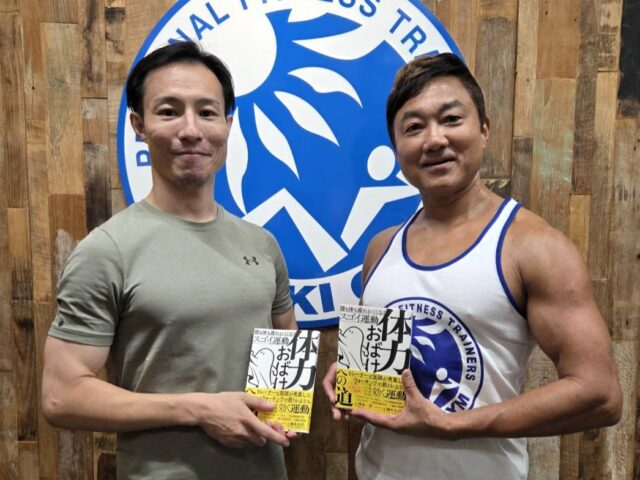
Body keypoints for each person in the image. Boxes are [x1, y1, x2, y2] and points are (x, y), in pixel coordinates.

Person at [322, 53, 622, 479]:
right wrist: (355, 377)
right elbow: (387, 380)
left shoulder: (533, 246)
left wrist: (451, 425)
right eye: (413, 127)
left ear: (483, 129)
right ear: (396, 148)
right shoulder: (381, 248)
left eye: (451, 119)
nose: (434, 140)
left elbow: (600, 394)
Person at [41, 41, 297, 480]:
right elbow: (61, 397)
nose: (191, 129)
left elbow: (286, 345)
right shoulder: (107, 250)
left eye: (207, 112)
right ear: (139, 126)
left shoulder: (262, 244)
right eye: (169, 111)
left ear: (228, 125)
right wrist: (198, 409)